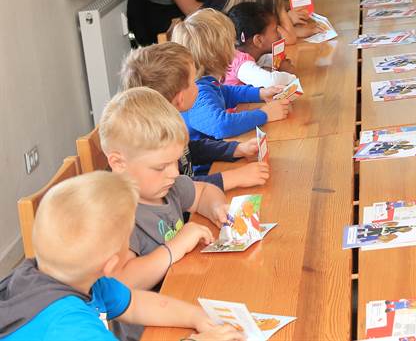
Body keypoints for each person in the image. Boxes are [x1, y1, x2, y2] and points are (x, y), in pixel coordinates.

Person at [0, 171, 242, 341]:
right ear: (110, 265)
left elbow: (135, 304)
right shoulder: (70, 327)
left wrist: (197, 316)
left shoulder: (76, 277)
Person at [99, 88, 229, 292]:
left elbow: (204, 192)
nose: (174, 173)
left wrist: (217, 207)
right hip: (154, 311)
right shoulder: (117, 216)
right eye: (161, 167)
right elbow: (121, 283)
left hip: (187, 287)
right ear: (119, 163)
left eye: (175, 161)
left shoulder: (168, 187)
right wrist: (175, 247)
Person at [120, 42, 269, 191]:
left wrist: (237, 149)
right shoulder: (153, 143)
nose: (198, 85)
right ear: (180, 99)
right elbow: (178, 189)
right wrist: (236, 177)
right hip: (192, 201)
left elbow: (191, 150)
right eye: (193, 82)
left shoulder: (167, 122)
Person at [170, 9, 291, 142]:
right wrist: (265, 114)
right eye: (230, 45)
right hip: (209, 155)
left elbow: (226, 93)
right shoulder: (199, 92)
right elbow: (222, 125)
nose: (234, 50)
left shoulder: (205, 82)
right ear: (217, 54)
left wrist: (260, 93)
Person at [226, 2, 297, 87]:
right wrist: (289, 75)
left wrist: (279, 63)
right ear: (258, 40)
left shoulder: (253, 54)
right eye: (275, 30)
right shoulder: (241, 64)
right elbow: (271, 81)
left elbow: (265, 60)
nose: (280, 33)